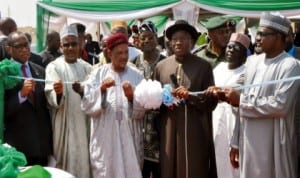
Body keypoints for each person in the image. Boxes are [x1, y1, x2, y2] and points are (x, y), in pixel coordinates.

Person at [225, 12, 300, 178]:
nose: (257, 38)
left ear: (281, 37)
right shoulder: (253, 62)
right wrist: (220, 92)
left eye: (263, 34)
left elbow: (281, 105)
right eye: (257, 33)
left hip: (274, 144)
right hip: (248, 142)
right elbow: (236, 91)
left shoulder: (291, 65)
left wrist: (241, 99)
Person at [154, 20, 218, 178]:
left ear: (192, 42)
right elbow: (153, 100)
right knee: (169, 168)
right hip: (168, 128)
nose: (178, 42)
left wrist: (190, 96)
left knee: (194, 167)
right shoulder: (161, 67)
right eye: (174, 39)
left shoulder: (203, 67)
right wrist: (164, 99)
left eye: (183, 38)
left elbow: (211, 102)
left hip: (194, 130)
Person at [81, 33, 145, 178]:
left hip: (129, 136)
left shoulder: (137, 75)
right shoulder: (97, 74)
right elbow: (86, 106)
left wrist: (131, 96)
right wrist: (102, 89)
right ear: (109, 53)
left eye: (126, 52)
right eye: (119, 53)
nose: (124, 57)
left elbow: (142, 110)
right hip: (105, 139)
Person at [45, 25, 92, 178]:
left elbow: (94, 96)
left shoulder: (88, 68)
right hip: (64, 126)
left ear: (79, 45)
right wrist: (58, 93)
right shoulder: (54, 67)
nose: (70, 48)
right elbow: (51, 95)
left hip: (85, 127)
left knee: (86, 164)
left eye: (74, 44)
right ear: (61, 46)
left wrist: (83, 91)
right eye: (66, 45)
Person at [205, 33, 250, 178]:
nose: (230, 50)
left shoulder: (247, 71)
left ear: (243, 53)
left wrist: (221, 94)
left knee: (233, 162)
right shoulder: (219, 67)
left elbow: (235, 93)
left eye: (236, 48)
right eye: (229, 47)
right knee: (217, 158)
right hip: (215, 116)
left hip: (234, 119)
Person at [4, 31, 52, 166]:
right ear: (9, 49)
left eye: (27, 45)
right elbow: (3, 110)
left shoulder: (40, 70)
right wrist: (21, 95)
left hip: (41, 146)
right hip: (18, 148)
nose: (24, 50)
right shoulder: (4, 73)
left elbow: (45, 105)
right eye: (19, 46)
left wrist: (57, 94)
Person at [131, 21, 165, 178]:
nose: (146, 41)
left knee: (160, 170)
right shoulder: (133, 64)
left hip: (159, 126)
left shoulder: (165, 62)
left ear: (156, 38)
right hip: (138, 125)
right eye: (143, 38)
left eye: (150, 37)